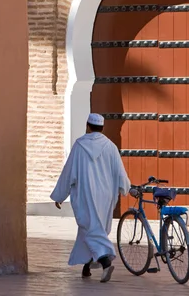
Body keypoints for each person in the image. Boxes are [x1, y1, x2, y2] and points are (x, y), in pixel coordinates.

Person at [50, 113, 131, 283]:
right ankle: (86, 267)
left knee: (90, 228)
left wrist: (60, 195)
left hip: (86, 193)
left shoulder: (79, 145)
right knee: (92, 228)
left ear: (87, 126)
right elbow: (120, 172)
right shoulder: (110, 146)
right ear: (102, 128)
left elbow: (68, 172)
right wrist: (125, 187)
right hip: (106, 196)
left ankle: (105, 261)